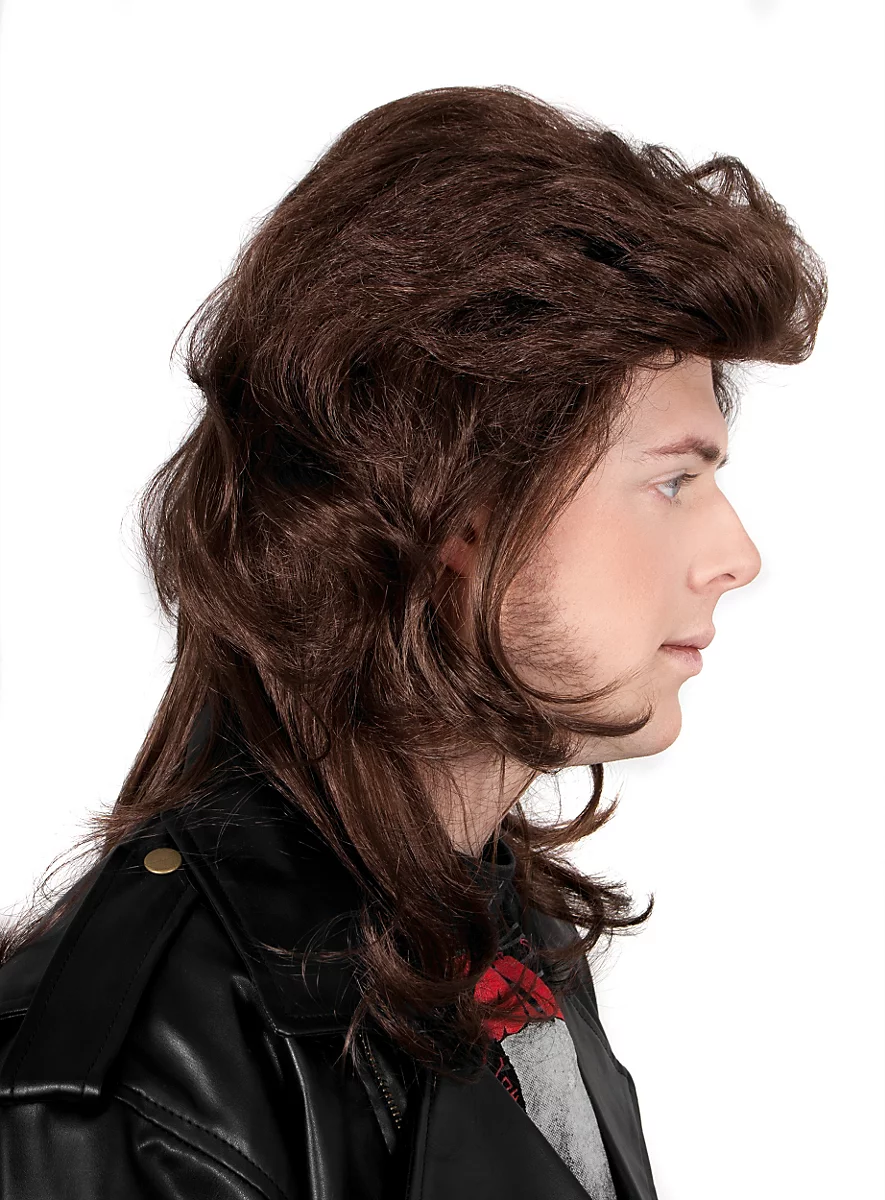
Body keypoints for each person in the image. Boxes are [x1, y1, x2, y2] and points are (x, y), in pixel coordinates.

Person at [0, 84, 827, 1199]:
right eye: (673, 481)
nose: (738, 556)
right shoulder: (145, 1088)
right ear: (453, 509)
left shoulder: (490, 930)